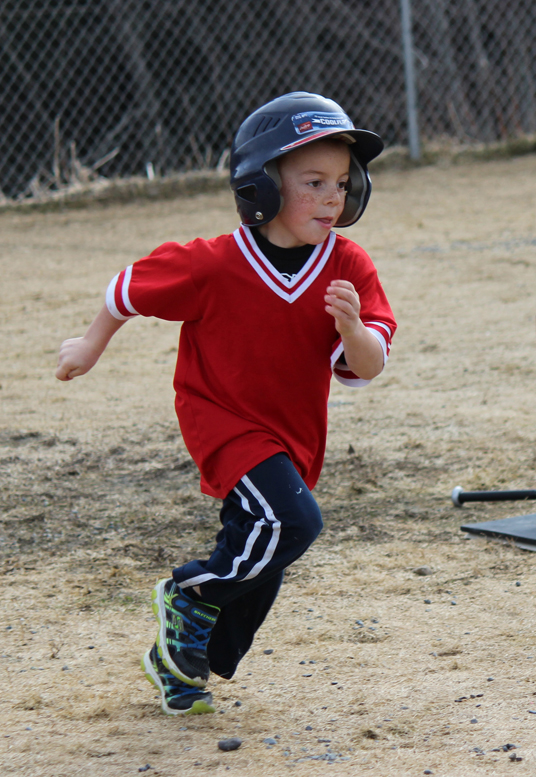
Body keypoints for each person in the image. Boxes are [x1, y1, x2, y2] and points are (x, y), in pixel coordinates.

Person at [55, 92, 397, 715]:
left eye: (343, 184)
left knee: (260, 568)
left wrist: (352, 330)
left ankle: (181, 664)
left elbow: (369, 364)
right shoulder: (214, 263)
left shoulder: (348, 265)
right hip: (223, 419)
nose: (332, 197)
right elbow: (127, 290)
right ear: (260, 184)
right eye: (314, 182)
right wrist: (89, 344)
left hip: (294, 435)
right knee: (294, 524)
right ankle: (189, 592)